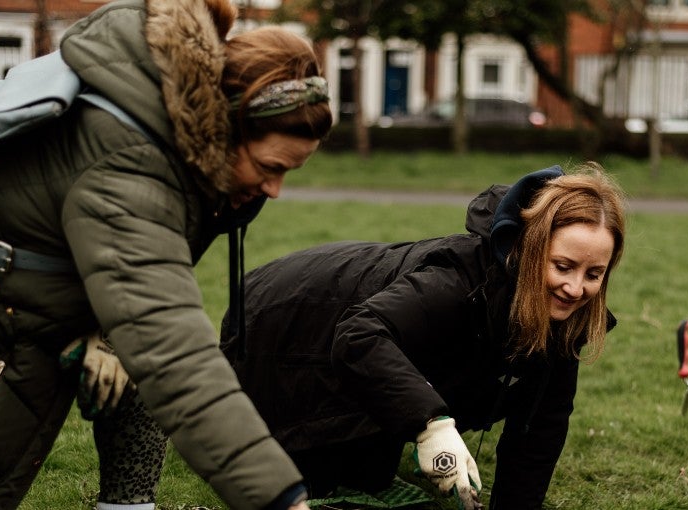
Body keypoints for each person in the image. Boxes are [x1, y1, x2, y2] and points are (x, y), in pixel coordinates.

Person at [0, 0, 331, 508]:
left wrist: (103, 330)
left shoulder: (174, 139)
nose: (275, 190)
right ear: (226, 124)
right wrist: (281, 497)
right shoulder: (134, 163)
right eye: (270, 166)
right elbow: (175, 353)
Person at [218, 164, 627, 509]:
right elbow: (359, 336)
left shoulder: (567, 317)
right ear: (533, 250)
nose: (575, 289)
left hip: (344, 327)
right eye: (562, 266)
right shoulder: (458, 282)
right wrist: (431, 426)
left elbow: (541, 425)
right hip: (272, 325)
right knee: (321, 476)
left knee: (374, 464)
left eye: (593, 274)